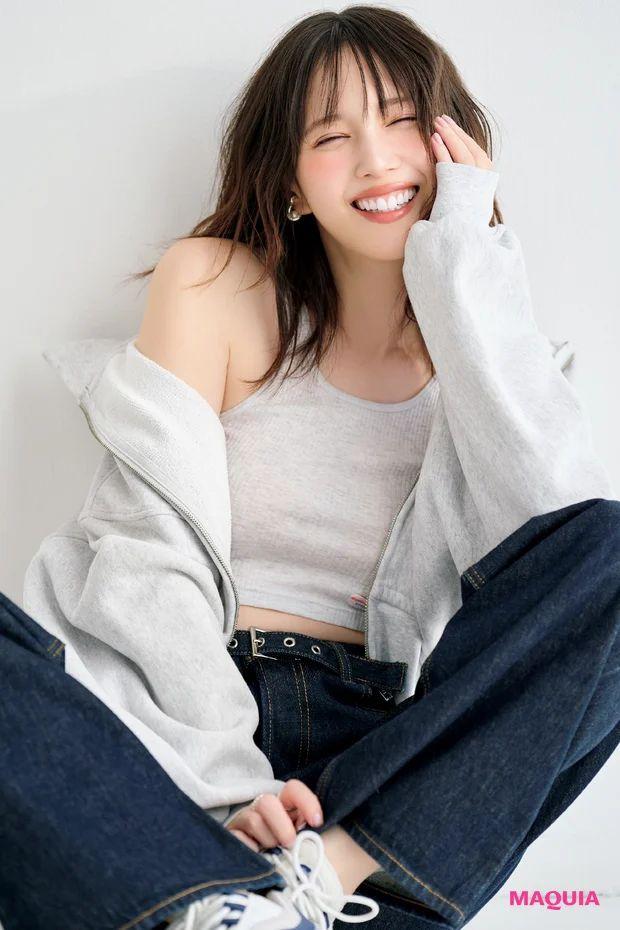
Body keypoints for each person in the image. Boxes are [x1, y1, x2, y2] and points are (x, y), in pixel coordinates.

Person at [4, 5, 618, 930]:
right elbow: (148, 557)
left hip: (388, 761)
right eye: (333, 136)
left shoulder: (500, 358)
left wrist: (461, 257)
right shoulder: (214, 286)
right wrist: (225, 787)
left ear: (454, 143)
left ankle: (326, 875)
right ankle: (214, 894)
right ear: (291, 182)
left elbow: (568, 562)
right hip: (178, 718)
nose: (377, 160)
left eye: (404, 120)